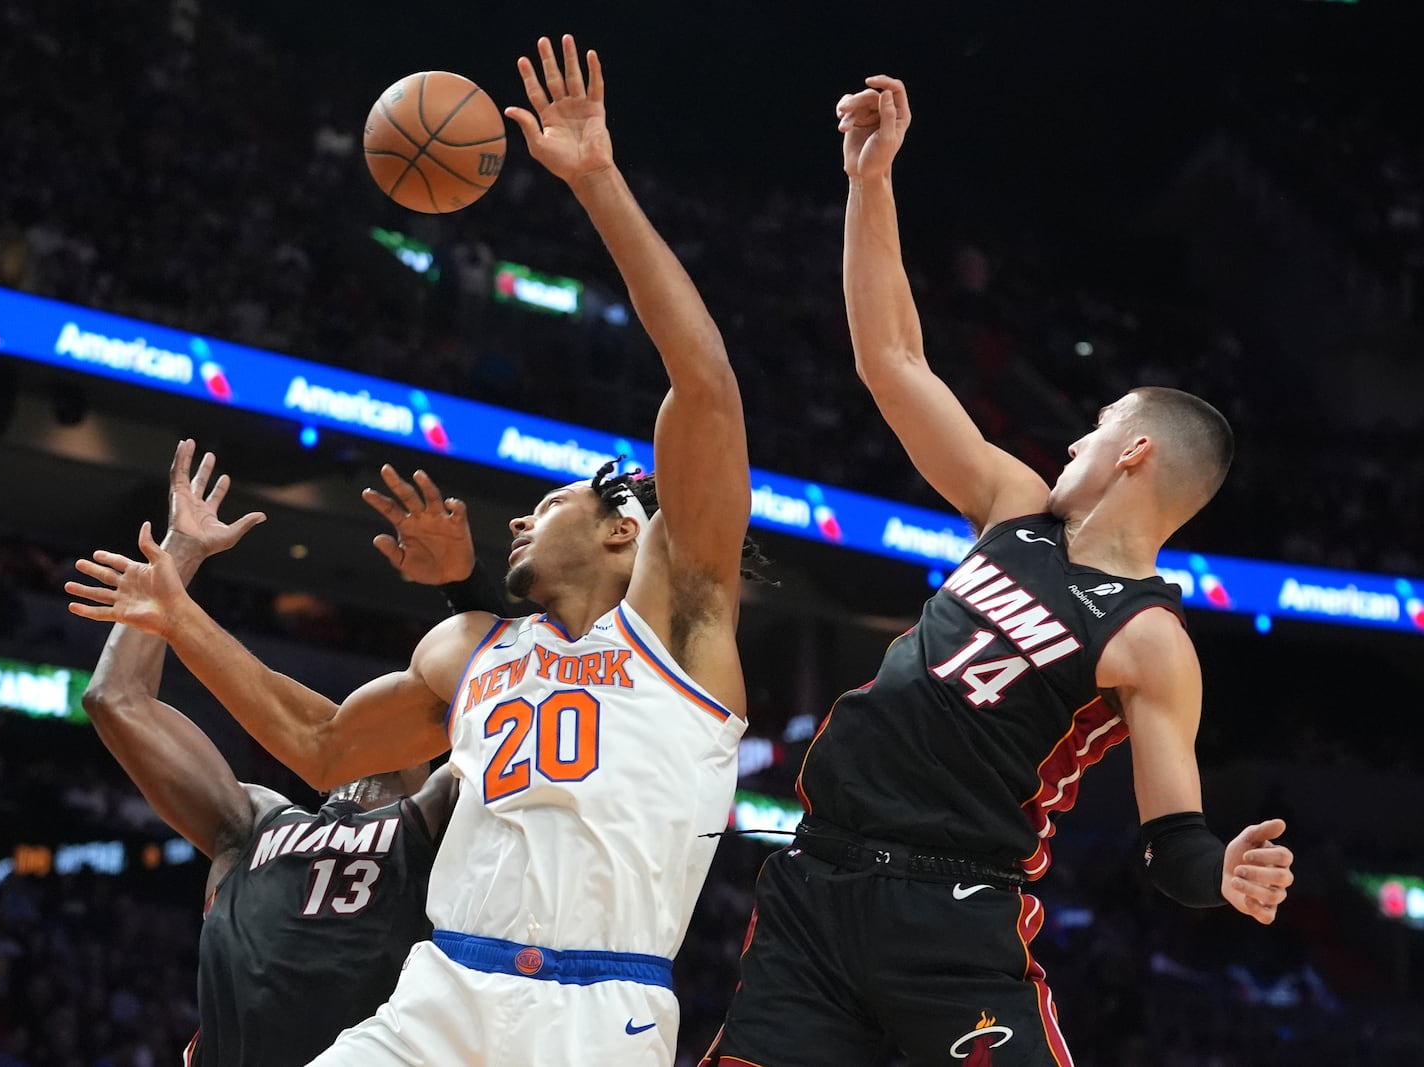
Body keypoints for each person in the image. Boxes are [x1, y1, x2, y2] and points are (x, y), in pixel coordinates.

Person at [66, 34, 753, 1067]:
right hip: (442, 993)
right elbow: (322, 744)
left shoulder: (685, 623)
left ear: (624, 530)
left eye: (550, 501)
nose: (521, 518)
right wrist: (179, 615)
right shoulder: (476, 647)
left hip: (591, 1009)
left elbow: (701, 385)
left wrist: (597, 179)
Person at [701, 77, 1297, 1067]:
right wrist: (871, 182)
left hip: (952, 916)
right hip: (814, 886)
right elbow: (891, 357)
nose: (1070, 440)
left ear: (1136, 452)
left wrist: (1219, 870)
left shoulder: (1149, 640)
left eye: (1094, 429)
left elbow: (1172, 840)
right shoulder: (1012, 506)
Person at [74, 442, 503, 1067]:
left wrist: (465, 586)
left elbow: (512, 695)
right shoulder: (250, 821)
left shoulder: (438, 820)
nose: (369, 725)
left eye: (388, 719)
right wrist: (182, 551)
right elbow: (117, 700)